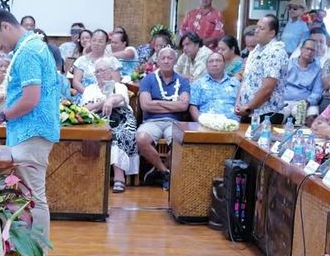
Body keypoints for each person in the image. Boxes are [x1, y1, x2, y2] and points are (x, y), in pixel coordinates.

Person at [0, 9, 60, 256]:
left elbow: (31, 99)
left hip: (33, 133)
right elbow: (21, 97)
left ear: (5, 27)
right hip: (27, 131)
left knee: (36, 199)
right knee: (28, 197)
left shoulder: (27, 52)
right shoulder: (33, 47)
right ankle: (28, 255)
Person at [81, 57, 138, 193]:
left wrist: (111, 100)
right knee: (93, 133)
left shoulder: (119, 86)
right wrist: (104, 102)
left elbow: (121, 99)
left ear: (111, 72)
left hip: (122, 118)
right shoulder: (90, 89)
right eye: (97, 72)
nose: (100, 74)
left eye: (103, 70)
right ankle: (93, 177)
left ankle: (119, 178)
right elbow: (86, 108)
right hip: (97, 119)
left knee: (117, 133)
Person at [136, 47, 191, 189]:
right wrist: (172, 103)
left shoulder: (182, 81)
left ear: (175, 61)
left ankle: (159, 170)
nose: (166, 61)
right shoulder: (148, 79)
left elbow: (183, 106)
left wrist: (157, 102)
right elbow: (145, 105)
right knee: (141, 139)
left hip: (174, 122)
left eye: (170, 58)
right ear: (157, 61)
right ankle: (165, 171)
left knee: (181, 142)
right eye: (163, 58)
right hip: (151, 121)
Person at [235, 14, 287, 122]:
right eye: (256, 27)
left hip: (266, 114)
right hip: (249, 110)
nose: (256, 31)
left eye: (261, 28)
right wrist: (238, 103)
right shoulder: (256, 50)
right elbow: (246, 79)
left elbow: (268, 88)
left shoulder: (275, 51)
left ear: (272, 33)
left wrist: (249, 106)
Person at [189, 52, 240, 121]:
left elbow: (241, 106)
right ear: (206, 66)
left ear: (224, 64)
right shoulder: (198, 84)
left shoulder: (236, 83)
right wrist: (200, 122)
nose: (214, 64)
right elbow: (193, 107)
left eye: (218, 61)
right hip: (206, 126)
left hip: (232, 126)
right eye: (211, 61)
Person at [282, 38, 324, 119]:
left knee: (311, 114)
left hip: (305, 102)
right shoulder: (287, 64)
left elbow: (317, 92)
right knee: (278, 115)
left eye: (312, 50)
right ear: (301, 49)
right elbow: (278, 85)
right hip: (285, 100)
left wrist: (308, 102)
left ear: (315, 53)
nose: (309, 52)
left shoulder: (318, 70)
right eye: (307, 49)